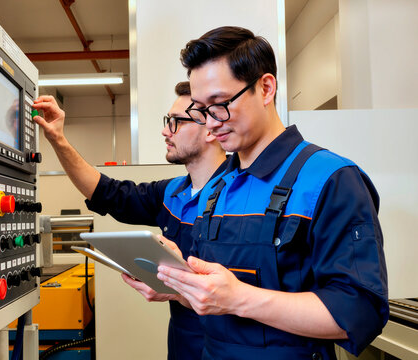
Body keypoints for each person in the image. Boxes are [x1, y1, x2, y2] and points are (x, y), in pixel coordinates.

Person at [154, 27, 389, 360]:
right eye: (202, 110)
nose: (210, 123)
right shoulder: (218, 186)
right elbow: (218, 295)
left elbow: (358, 312)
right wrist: (177, 287)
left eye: (219, 105)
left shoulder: (330, 180)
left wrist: (239, 297)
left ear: (265, 87)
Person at [32, 82, 228, 360]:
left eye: (176, 122)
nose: (165, 130)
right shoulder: (172, 193)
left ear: (210, 129)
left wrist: (176, 289)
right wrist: (57, 139)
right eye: (166, 121)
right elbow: (107, 193)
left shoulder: (242, 197)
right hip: (184, 348)